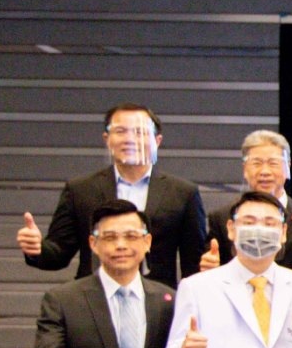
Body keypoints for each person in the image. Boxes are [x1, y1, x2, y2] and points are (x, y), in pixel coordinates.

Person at [26, 199, 188, 348]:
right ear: (93, 243)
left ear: (147, 242)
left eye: (131, 236)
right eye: (110, 237)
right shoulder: (63, 299)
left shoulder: (171, 300)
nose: (121, 245)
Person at [16, 102, 209, 286]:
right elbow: (58, 254)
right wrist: (36, 248)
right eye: (120, 131)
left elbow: (194, 264)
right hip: (93, 298)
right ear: (107, 139)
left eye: (139, 132)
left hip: (157, 301)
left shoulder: (183, 193)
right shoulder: (80, 189)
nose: (129, 139)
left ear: (157, 141)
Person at [161, 190, 292, 348]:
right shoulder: (197, 287)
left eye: (269, 223)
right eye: (249, 222)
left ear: (283, 232)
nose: (259, 230)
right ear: (231, 229)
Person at [200, 130, 292, 279]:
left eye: (273, 163)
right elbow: (212, 267)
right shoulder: (222, 217)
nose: (265, 171)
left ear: (288, 166)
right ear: (245, 168)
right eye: (257, 163)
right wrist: (210, 267)